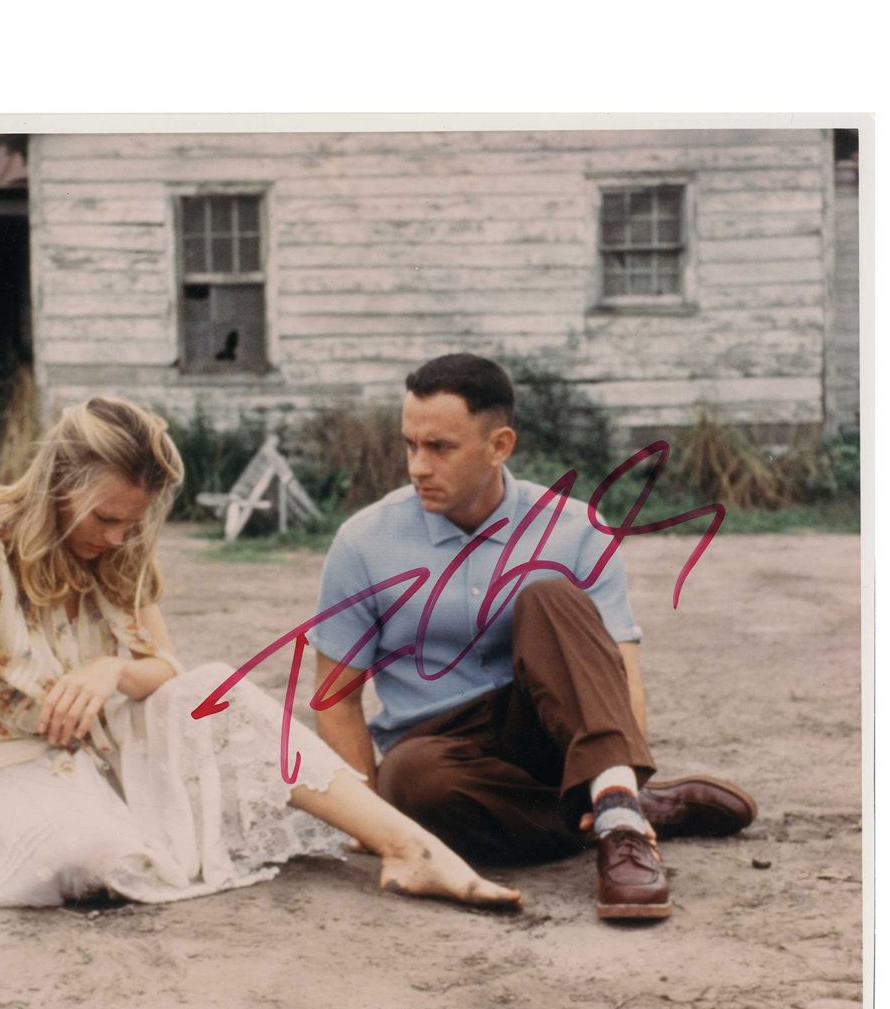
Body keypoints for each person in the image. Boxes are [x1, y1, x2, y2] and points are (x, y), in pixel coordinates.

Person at [0, 397, 522, 937]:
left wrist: (111, 672)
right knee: (105, 858)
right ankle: (111, 828)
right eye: (103, 519)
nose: (118, 536)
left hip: (93, 750)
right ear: (59, 484)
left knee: (215, 689)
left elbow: (167, 669)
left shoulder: (120, 540)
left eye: (131, 521)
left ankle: (407, 846)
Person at [308, 353, 757, 921]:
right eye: (410, 445)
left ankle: (621, 823)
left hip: (553, 731)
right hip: (442, 752)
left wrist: (625, 757)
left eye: (440, 448)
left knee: (547, 595)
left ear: (499, 446)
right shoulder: (364, 541)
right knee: (410, 784)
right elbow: (336, 697)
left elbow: (619, 667)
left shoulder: (576, 529)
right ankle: (622, 804)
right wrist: (376, 824)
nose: (418, 467)